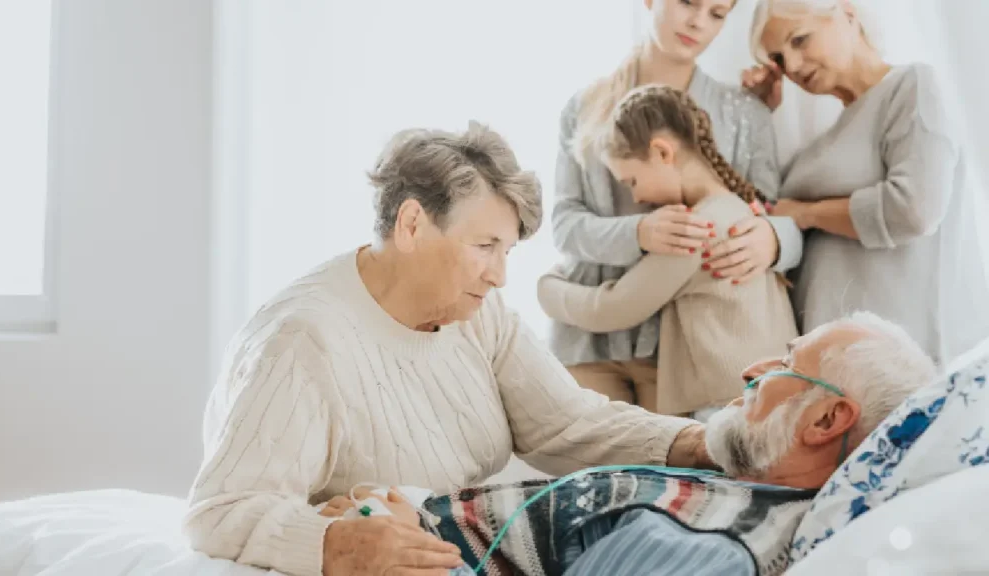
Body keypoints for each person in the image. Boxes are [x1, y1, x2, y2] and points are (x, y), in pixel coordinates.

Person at [183, 123, 713, 576]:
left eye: (506, 252)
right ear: (412, 224)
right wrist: (334, 546)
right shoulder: (302, 340)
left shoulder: (477, 314)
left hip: (473, 543)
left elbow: (566, 423)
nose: (500, 275)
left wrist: (699, 443)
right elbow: (222, 510)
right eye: (485, 247)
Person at [323, 312, 935, 576]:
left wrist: (403, 544)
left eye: (788, 362)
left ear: (826, 420)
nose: (753, 368)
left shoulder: (708, 546)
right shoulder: (741, 492)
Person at [552, 0, 803, 416]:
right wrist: (640, 233)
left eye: (717, 14)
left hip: (674, 354)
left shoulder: (745, 113)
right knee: (590, 475)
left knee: (667, 477)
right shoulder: (584, 106)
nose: (697, 22)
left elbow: (768, 211)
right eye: (687, 2)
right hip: (586, 342)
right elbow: (563, 225)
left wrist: (776, 241)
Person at [742, 0, 989, 366]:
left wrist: (805, 214)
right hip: (835, 370)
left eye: (799, 40)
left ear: (847, 12)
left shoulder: (913, 86)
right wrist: (757, 111)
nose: (791, 67)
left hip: (909, 358)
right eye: (778, 59)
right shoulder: (824, 140)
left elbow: (914, 210)